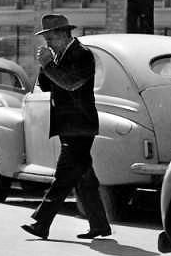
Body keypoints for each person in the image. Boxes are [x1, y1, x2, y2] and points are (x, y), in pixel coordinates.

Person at [21, 14, 112, 241]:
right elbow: (45, 85)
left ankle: (41, 223)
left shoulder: (82, 54)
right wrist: (45, 66)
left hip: (80, 126)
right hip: (69, 126)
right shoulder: (59, 55)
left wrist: (48, 64)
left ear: (63, 34)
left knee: (63, 177)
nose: (48, 44)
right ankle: (100, 225)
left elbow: (70, 84)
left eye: (50, 38)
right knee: (83, 177)